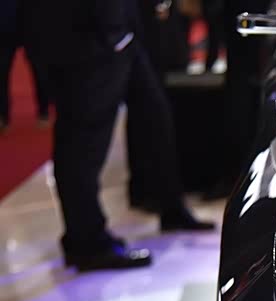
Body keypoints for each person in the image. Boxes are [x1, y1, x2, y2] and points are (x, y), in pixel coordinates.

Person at [21, 0, 213, 272]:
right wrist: (112, 33)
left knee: (154, 116)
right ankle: (87, 242)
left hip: (114, 32)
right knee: (83, 142)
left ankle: (170, 206)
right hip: (87, 37)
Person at [0, 0, 50, 132]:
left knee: (40, 68)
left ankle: (44, 110)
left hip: (32, 20)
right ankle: (2, 115)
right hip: (5, 20)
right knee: (1, 69)